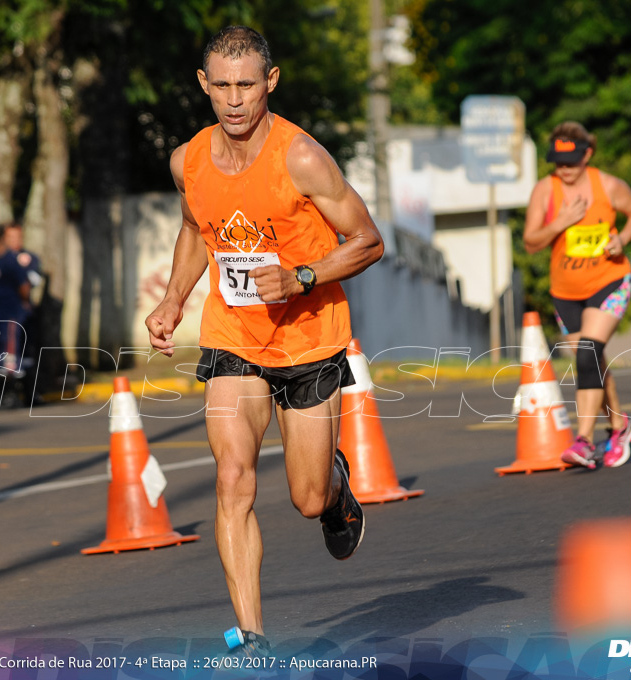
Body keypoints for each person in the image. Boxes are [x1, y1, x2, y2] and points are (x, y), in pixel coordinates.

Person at [144, 26, 384, 656]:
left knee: (305, 500)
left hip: (308, 339)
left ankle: (334, 486)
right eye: (220, 86)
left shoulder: (300, 156)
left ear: (269, 82)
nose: (233, 100)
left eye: (246, 85)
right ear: (204, 84)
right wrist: (173, 299)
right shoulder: (187, 159)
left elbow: (368, 241)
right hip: (234, 336)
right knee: (233, 478)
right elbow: (198, 231)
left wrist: (302, 275)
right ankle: (250, 637)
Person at [523, 121, 631, 469]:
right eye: (557, 162)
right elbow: (531, 243)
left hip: (609, 280)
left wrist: (622, 239)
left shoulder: (608, 185)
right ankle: (621, 425)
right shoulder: (545, 191)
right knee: (591, 359)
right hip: (565, 292)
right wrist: (559, 222)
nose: (564, 169)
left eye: (571, 162)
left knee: (589, 353)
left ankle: (584, 441)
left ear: (587, 154)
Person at [0, 223, 31, 406]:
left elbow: (24, 286)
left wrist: (23, 304)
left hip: (10, 315)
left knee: (10, 354)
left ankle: (12, 392)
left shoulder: (11, 260)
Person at [4, 224, 44, 405]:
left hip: (26, 313)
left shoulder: (29, 258)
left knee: (29, 354)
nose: (14, 240)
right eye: (10, 237)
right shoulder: (1, 259)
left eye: (17, 236)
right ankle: (8, 394)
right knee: (10, 356)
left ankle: (31, 393)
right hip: (9, 315)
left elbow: (34, 280)